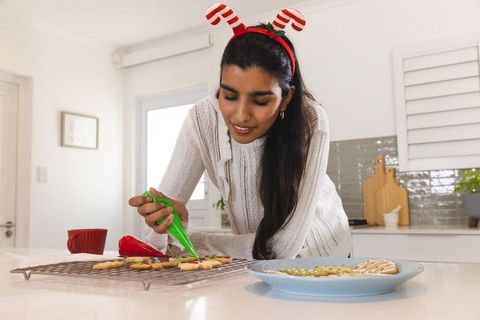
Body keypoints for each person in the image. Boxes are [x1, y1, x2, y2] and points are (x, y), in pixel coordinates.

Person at [128, 5, 351, 259]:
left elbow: (284, 248)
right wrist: (166, 225)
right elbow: (162, 235)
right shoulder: (202, 119)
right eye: (229, 96)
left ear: (286, 97)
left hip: (321, 251)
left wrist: (196, 241)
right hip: (253, 256)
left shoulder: (310, 121)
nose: (241, 115)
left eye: (260, 101)